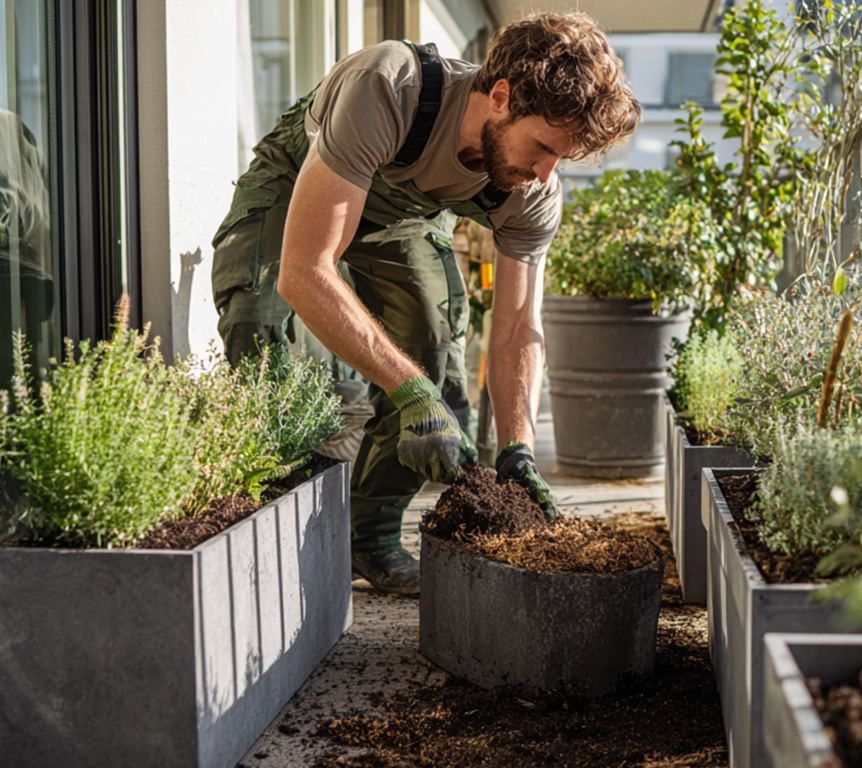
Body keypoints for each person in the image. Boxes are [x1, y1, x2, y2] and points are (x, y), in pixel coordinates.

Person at [211, 12, 639, 595]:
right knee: (255, 322)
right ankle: (274, 524)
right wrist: (409, 392)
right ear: (501, 96)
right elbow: (305, 272)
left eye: (560, 159)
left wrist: (518, 450)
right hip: (299, 182)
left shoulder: (534, 190)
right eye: (541, 148)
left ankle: (372, 536)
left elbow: (516, 327)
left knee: (433, 346)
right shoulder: (389, 88)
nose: (544, 175)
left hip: (402, 215)